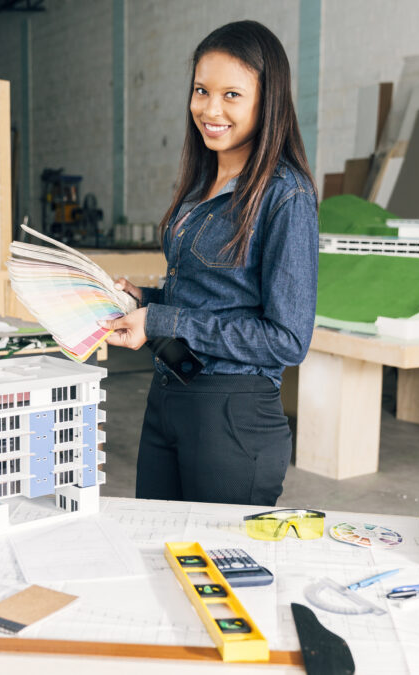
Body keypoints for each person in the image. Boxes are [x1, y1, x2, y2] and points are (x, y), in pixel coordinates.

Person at [101, 20, 318, 506]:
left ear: (268, 101)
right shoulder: (201, 187)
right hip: (168, 395)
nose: (210, 108)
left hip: (232, 413)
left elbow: (288, 339)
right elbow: (212, 299)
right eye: (201, 90)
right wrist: (143, 300)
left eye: (231, 95)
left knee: (221, 569)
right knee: (157, 551)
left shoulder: (286, 196)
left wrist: (161, 319)